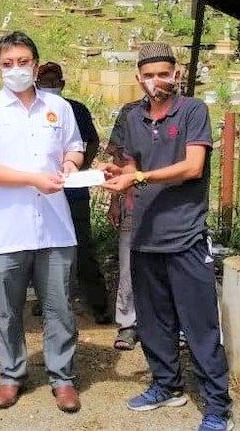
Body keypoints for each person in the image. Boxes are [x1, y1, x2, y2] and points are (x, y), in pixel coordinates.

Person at [102, 42, 233, 431]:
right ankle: (166, 385)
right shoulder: (133, 117)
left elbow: (193, 167)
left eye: (164, 73)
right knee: (153, 321)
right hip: (144, 235)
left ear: (176, 74)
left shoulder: (193, 111)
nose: (156, 81)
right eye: (149, 75)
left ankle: (217, 406)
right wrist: (118, 174)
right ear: (138, 78)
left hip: (185, 236)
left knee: (199, 325)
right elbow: (131, 167)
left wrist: (139, 176)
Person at [0, 31, 85, 413]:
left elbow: (74, 147)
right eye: (7, 63)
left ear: (36, 65)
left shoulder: (58, 107)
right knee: (7, 310)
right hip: (6, 229)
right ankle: (11, 375)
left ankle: (62, 378)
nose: (15, 69)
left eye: (22, 62)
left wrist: (70, 165)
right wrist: (33, 179)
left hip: (54, 227)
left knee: (60, 307)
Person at [35, 62, 110, 325]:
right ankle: (47, 300)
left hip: (74, 190)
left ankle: (98, 304)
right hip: (42, 190)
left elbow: (92, 140)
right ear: (36, 84)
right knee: (44, 247)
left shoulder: (75, 109)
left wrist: (81, 166)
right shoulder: (29, 112)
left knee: (82, 247)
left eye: (54, 82)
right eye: (45, 82)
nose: (50, 86)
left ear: (63, 84)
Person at [105, 98, 145, 351]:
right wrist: (115, 201)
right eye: (148, 78)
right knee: (128, 263)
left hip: (169, 203)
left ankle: (169, 324)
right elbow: (118, 159)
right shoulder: (130, 112)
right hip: (133, 198)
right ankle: (128, 323)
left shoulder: (187, 112)